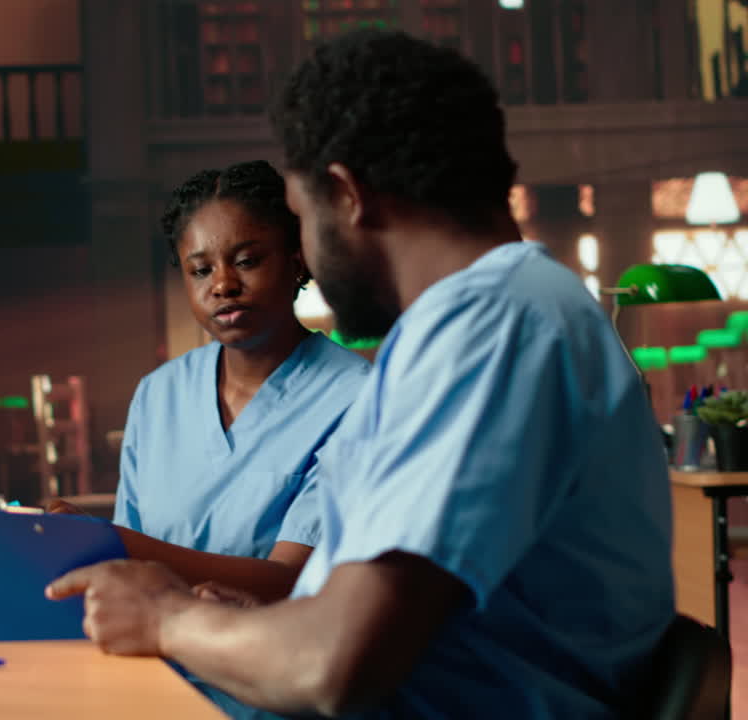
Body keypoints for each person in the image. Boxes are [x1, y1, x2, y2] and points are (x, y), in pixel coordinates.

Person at [47, 30, 674, 719]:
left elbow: (332, 664)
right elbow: (364, 607)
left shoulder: (491, 327)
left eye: (300, 214)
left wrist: (166, 617)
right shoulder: (518, 308)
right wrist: (246, 622)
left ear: (346, 195)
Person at [51, 160, 369, 602]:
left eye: (247, 261)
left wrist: (108, 544)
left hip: (271, 656)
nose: (223, 284)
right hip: (156, 652)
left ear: (297, 261)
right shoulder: (158, 394)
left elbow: (293, 580)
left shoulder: (357, 397)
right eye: (200, 270)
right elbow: (129, 567)